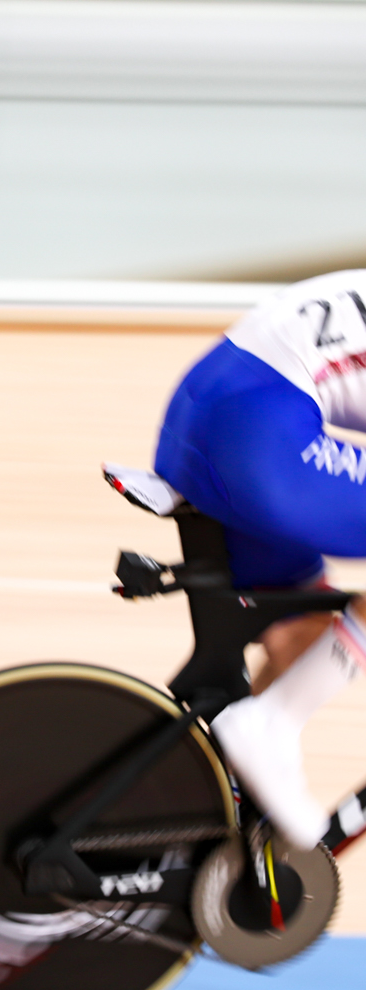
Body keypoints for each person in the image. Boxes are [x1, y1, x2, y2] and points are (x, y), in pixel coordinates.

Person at [152, 269, 366, 848]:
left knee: (305, 630)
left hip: (212, 417)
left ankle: (230, 817)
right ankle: (269, 724)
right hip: (255, 434)